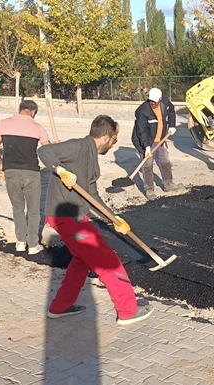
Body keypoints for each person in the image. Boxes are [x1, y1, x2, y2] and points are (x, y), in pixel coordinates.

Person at [38, 115, 153, 326]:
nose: (113, 144)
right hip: (66, 217)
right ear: (108, 137)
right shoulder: (78, 146)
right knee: (107, 260)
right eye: (115, 141)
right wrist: (60, 170)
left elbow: (92, 195)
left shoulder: (91, 157)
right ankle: (128, 310)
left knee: (81, 262)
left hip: (75, 216)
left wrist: (113, 217)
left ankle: (60, 307)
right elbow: (44, 151)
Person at [0, 100, 50, 255]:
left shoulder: (3, 124)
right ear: (33, 111)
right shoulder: (38, 128)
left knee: (17, 208)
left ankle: (20, 243)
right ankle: (33, 245)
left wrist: (1, 163)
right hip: (31, 173)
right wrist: (56, 146)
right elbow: (48, 151)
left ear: (19, 109)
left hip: (11, 172)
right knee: (33, 210)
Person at [131, 88, 183, 200]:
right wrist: (146, 147)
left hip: (161, 139)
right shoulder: (142, 111)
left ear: (160, 99)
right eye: (151, 101)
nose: (153, 103)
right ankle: (149, 190)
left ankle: (168, 184)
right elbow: (142, 131)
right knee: (147, 165)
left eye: (155, 101)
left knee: (164, 161)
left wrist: (172, 125)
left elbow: (172, 111)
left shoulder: (165, 102)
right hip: (145, 141)